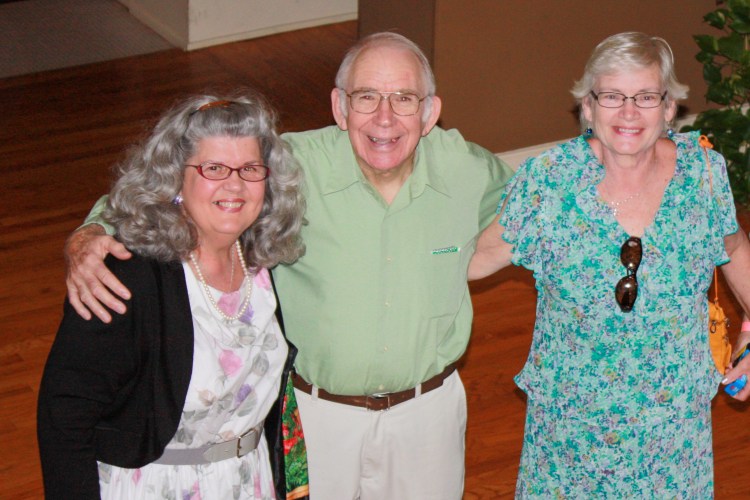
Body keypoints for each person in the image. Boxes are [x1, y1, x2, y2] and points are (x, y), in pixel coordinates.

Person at [62, 32, 515, 498]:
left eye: (404, 98)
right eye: (366, 97)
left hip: (428, 414)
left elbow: (541, 202)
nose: (385, 118)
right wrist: (90, 234)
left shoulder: (467, 168)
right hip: (317, 416)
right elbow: (162, 192)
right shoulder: (290, 166)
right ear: (339, 107)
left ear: (430, 112)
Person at [469, 32, 750, 497]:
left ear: (669, 108)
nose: (628, 112)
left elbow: (734, 247)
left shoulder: (702, 173)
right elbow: (475, 259)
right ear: (587, 106)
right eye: (612, 96)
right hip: (571, 432)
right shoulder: (549, 182)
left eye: (646, 97)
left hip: (672, 430)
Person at [37, 92, 309, 499]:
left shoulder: (260, 261)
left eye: (250, 169)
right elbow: (64, 415)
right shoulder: (126, 275)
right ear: (175, 177)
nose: (235, 184)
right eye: (213, 168)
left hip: (247, 481)